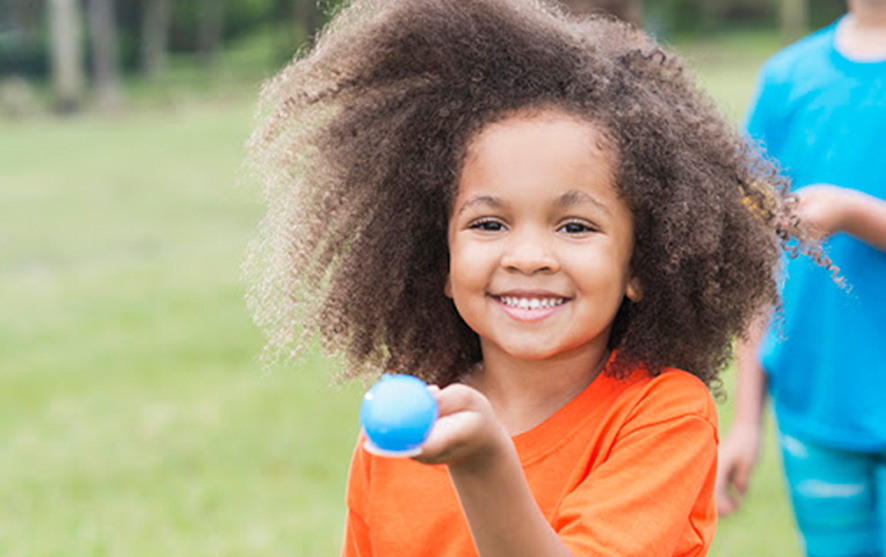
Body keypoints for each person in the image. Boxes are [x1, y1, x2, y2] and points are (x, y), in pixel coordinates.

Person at [245, 0, 825, 554]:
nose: (528, 256)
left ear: (640, 267)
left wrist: (484, 465)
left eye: (574, 227)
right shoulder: (410, 421)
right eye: (490, 223)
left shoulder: (664, 414)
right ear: (439, 260)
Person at [716, 1, 886, 555]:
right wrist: (744, 422)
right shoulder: (788, 78)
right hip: (813, 409)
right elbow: (758, 257)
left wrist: (854, 214)